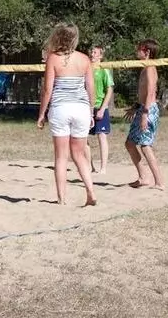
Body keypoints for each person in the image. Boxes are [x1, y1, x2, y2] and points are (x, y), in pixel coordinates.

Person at [37, 23, 96, 206]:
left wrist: (41, 114)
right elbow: (91, 89)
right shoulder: (84, 59)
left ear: (58, 37)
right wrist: (91, 112)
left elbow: (47, 90)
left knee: (61, 157)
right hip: (81, 109)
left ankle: (62, 199)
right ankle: (91, 192)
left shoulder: (53, 59)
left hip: (61, 108)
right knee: (79, 154)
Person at [124, 39, 164, 190]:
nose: (137, 50)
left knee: (146, 145)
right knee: (129, 143)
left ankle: (159, 182)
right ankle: (143, 177)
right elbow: (143, 93)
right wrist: (136, 107)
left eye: (139, 48)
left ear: (146, 52)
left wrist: (145, 114)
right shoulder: (144, 67)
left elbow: (151, 92)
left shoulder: (150, 68)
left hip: (148, 110)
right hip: (142, 108)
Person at [85, 45, 114, 175]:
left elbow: (110, 90)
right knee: (83, 137)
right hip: (86, 107)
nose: (92, 54)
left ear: (100, 56)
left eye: (95, 52)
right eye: (91, 51)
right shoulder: (86, 69)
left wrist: (102, 108)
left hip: (100, 107)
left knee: (101, 136)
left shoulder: (104, 69)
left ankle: (103, 168)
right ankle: (90, 167)